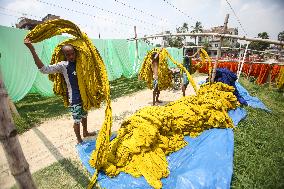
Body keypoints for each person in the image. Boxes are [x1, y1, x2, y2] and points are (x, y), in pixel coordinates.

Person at [24, 38, 95, 144]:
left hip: (84, 96)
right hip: (74, 98)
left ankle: (85, 132)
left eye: (72, 53)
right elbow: (44, 69)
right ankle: (79, 140)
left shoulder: (81, 63)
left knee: (84, 115)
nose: (71, 56)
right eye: (68, 55)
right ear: (64, 55)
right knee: (77, 120)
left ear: (75, 52)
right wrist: (32, 49)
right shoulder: (63, 66)